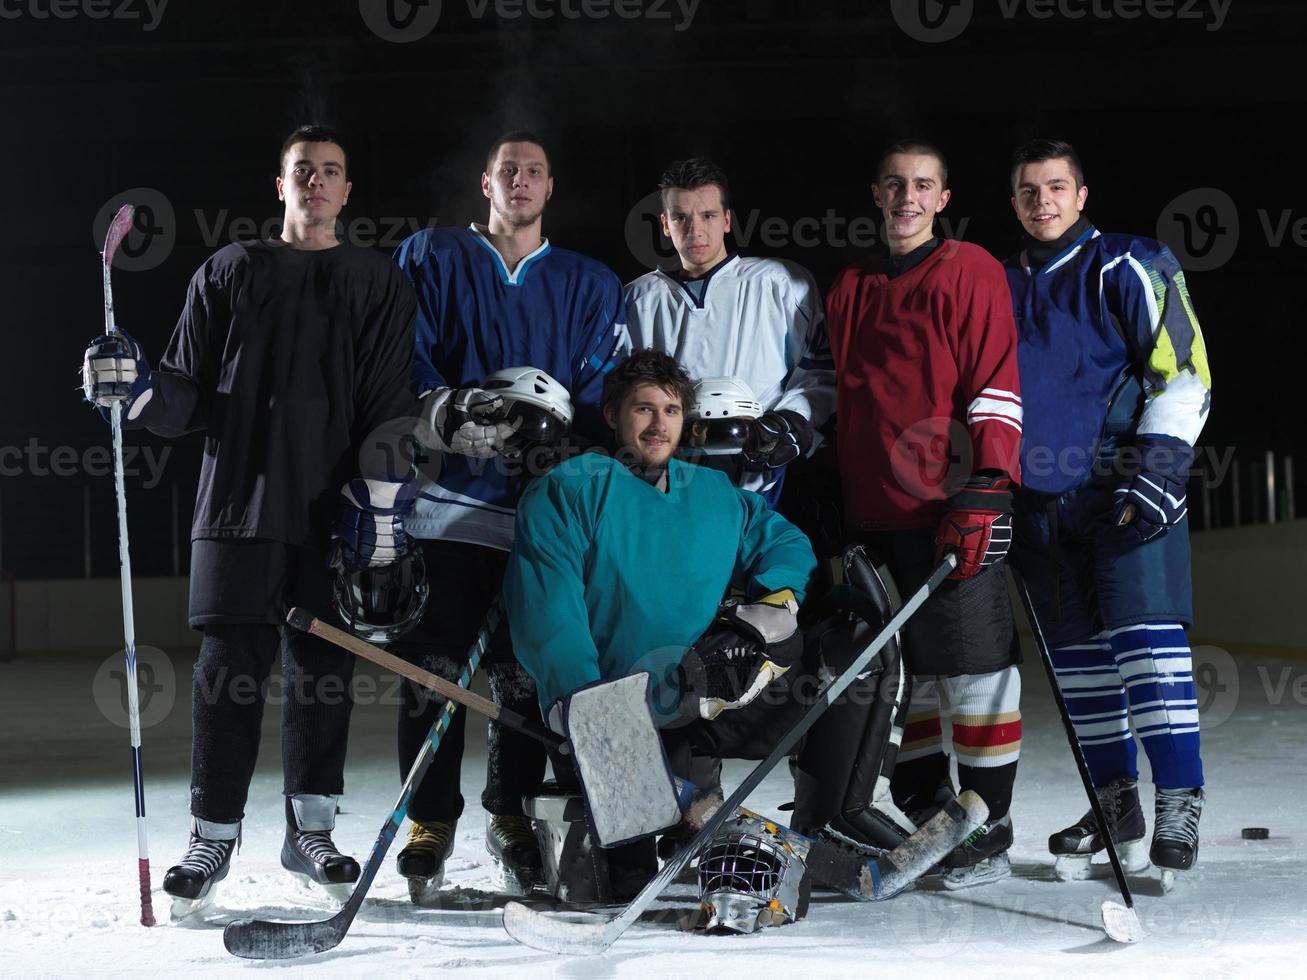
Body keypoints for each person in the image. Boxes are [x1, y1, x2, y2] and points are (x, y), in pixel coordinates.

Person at [80, 126, 419, 914]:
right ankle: (213, 834)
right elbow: (184, 391)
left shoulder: (376, 279)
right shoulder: (229, 269)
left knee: (324, 670)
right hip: (235, 507)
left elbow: (389, 405)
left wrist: (379, 498)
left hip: (336, 513)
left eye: (331, 172)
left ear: (345, 189)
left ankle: (311, 830)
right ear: (280, 185)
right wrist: (133, 392)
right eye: (303, 171)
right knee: (226, 675)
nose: (317, 183)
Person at [505, 349, 919, 904]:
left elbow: (785, 542)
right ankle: (659, 839)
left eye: (671, 411)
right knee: (625, 881)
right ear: (611, 415)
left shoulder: (713, 493)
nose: (658, 425)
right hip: (612, 708)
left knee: (851, 651)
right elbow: (548, 612)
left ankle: (833, 819)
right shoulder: (571, 488)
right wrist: (589, 710)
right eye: (643, 409)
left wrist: (770, 607)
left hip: (706, 693)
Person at [389, 131, 629, 899]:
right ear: (484, 184)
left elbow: (601, 386)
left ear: (549, 187)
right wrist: (450, 409)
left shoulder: (590, 280)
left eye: (532, 171)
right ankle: (430, 818)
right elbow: (406, 355)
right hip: (451, 511)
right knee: (432, 673)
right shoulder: (431, 255)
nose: (518, 181)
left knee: (523, 680)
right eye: (505, 171)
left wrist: (570, 445)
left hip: (540, 516)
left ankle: (511, 813)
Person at [1003, 138, 1210, 884]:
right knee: (1077, 662)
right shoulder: (997, 282)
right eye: (1028, 191)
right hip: (1039, 504)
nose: (1042, 202)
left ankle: (1179, 797)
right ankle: (1114, 802)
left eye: (1055, 187)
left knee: (1146, 644)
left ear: (1081, 195)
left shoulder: (1128, 261)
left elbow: (1181, 370)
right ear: (1014, 201)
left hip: (1125, 486)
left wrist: (1159, 467)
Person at [823, 139, 1025, 889]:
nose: (907, 197)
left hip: (949, 510)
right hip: (873, 519)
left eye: (923, 186)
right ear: (876, 194)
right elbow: (842, 394)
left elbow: (994, 377)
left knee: (974, 668)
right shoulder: (848, 286)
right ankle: (926, 804)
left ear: (941, 199)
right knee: (902, 679)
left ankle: (990, 824)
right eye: (894, 185)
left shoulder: (969, 268)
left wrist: (989, 482)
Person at [623, 158, 835, 506]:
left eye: (707, 215)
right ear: (665, 224)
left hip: (766, 481)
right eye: (681, 218)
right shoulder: (638, 299)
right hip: (674, 482)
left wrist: (788, 423)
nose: (695, 230)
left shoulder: (780, 282)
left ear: (726, 220)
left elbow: (819, 371)